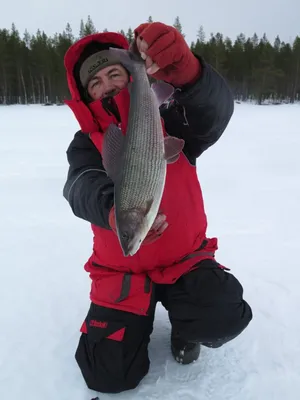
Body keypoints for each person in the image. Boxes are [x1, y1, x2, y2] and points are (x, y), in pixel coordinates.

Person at [62, 21, 252, 394]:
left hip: (185, 261)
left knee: (222, 314)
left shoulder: (168, 116)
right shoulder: (85, 144)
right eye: (94, 83)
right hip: (121, 272)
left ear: (132, 77)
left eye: (113, 73)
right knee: (106, 375)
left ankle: (186, 326)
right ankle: (137, 318)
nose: (105, 86)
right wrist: (114, 211)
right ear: (84, 96)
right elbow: (79, 186)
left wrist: (190, 74)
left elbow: (214, 111)